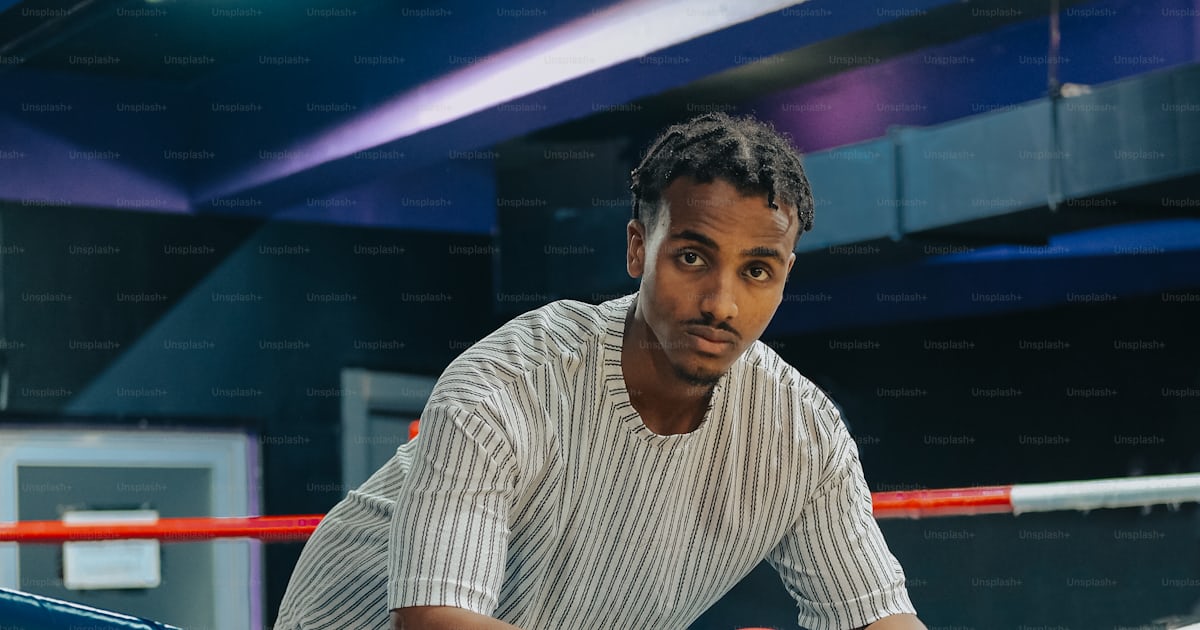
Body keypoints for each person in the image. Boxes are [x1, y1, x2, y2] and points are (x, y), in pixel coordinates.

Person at [275, 112, 925, 630]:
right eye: (692, 257)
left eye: (757, 270)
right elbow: (434, 620)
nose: (721, 304)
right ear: (639, 248)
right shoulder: (511, 382)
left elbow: (877, 616)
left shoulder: (802, 434)